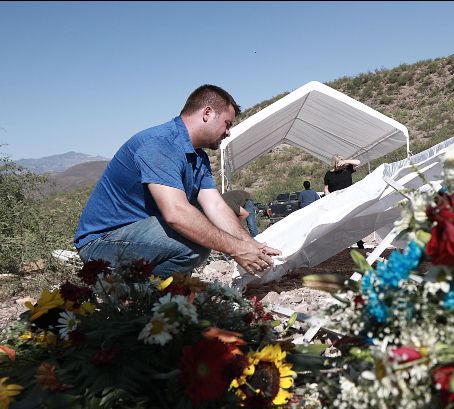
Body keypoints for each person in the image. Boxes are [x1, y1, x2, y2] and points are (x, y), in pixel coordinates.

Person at [73, 84, 280, 278]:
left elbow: (216, 206)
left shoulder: (198, 157)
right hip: (101, 243)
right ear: (207, 113)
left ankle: (158, 297)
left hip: (137, 236)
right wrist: (236, 249)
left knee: (198, 231)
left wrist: (250, 244)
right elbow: (176, 214)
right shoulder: (161, 145)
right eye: (227, 124)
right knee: (193, 243)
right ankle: (139, 299)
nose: (228, 132)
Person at [323, 154, 365, 250]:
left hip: (349, 200)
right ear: (334, 163)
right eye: (339, 162)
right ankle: (337, 244)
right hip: (336, 203)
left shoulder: (347, 169)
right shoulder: (328, 174)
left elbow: (358, 162)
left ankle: (359, 242)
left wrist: (346, 161)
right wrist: (328, 199)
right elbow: (326, 189)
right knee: (338, 223)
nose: (341, 164)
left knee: (352, 221)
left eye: (342, 161)